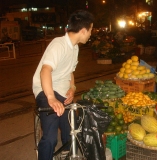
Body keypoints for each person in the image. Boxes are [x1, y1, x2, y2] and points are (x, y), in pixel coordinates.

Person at [32, 10, 94, 160]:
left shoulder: (75, 47)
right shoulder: (58, 44)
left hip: (61, 89)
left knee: (72, 132)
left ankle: (67, 154)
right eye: (91, 30)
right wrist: (51, 98)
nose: (91, 34)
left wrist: (72, 88)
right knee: (51, 138)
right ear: (83, 30)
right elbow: (45, 71)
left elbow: (70, 72)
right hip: (46, 88)